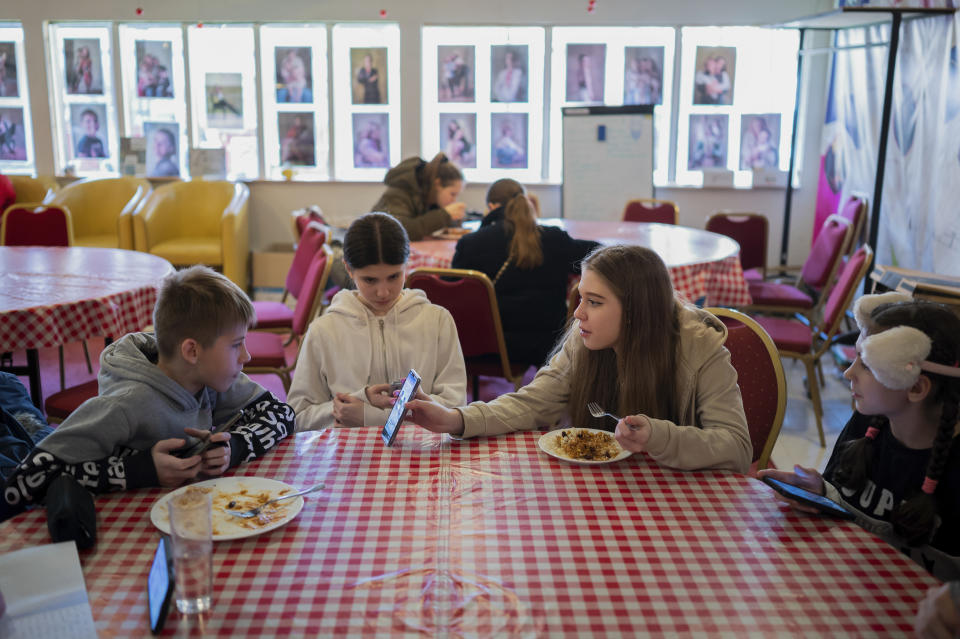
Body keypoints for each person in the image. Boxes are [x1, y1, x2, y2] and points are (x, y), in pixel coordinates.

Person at [404, 244, 752, 473]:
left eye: (595, 302)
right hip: (606, 494)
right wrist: (454, 419)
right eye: (581, 297)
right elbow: (532, 403)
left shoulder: (701, 351)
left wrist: (658, 436)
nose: (579, 314)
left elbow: (737, 448)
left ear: (635, 311)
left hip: (684, 510)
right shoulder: (584, 340)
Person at [1, 266, 295, 518]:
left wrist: (236, 448)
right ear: (192, 350)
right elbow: (26, 481)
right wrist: (141, 469)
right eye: (236, 345)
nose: (247, 357)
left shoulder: (206, 378)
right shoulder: (126, 405)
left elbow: (282, 413)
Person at [758, 292, 960, 581]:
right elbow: (851, 515)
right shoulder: (867, 424)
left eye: (866, 364)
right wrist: (824, 494)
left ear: (916, 387)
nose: (847, 373)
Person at [288, 212, 466, 430]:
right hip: (348, 458)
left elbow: (455, 407)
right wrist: (352, 404)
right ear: (348, 269)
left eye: (393, 277)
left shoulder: (438, 321)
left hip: (423, 454)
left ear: (406, 265)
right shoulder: (323, 330)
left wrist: (368, 416)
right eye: (370, 280)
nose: (383, 292)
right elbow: (298, 417)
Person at [451, 179, 598, 367]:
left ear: (491, 206)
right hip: (549, 344)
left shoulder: (470, 244)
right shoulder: (553, 238)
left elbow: (453, 294)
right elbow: (596, 256)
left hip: (487, 345)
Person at [371, 152, 466, 241]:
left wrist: (453, 218)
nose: (454, 200)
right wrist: (445, 215)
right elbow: (400, 230)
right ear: (438, 184)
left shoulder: (430, 196)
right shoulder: (401, 190)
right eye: (452, 194)